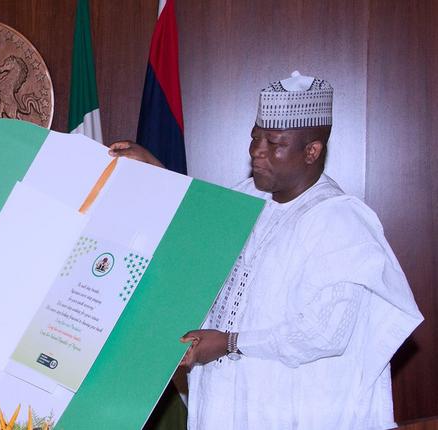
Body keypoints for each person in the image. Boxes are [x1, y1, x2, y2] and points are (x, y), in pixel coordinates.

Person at [110, 71, 423, 429]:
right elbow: (195, 226)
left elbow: (327, 333)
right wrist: (154, 170)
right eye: (255, 138)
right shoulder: (248, 197)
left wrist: (229, 343)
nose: (257, 152)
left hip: (290, 406)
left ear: (312, 151)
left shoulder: (340, 221)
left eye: (273, 143)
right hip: (229, 399)